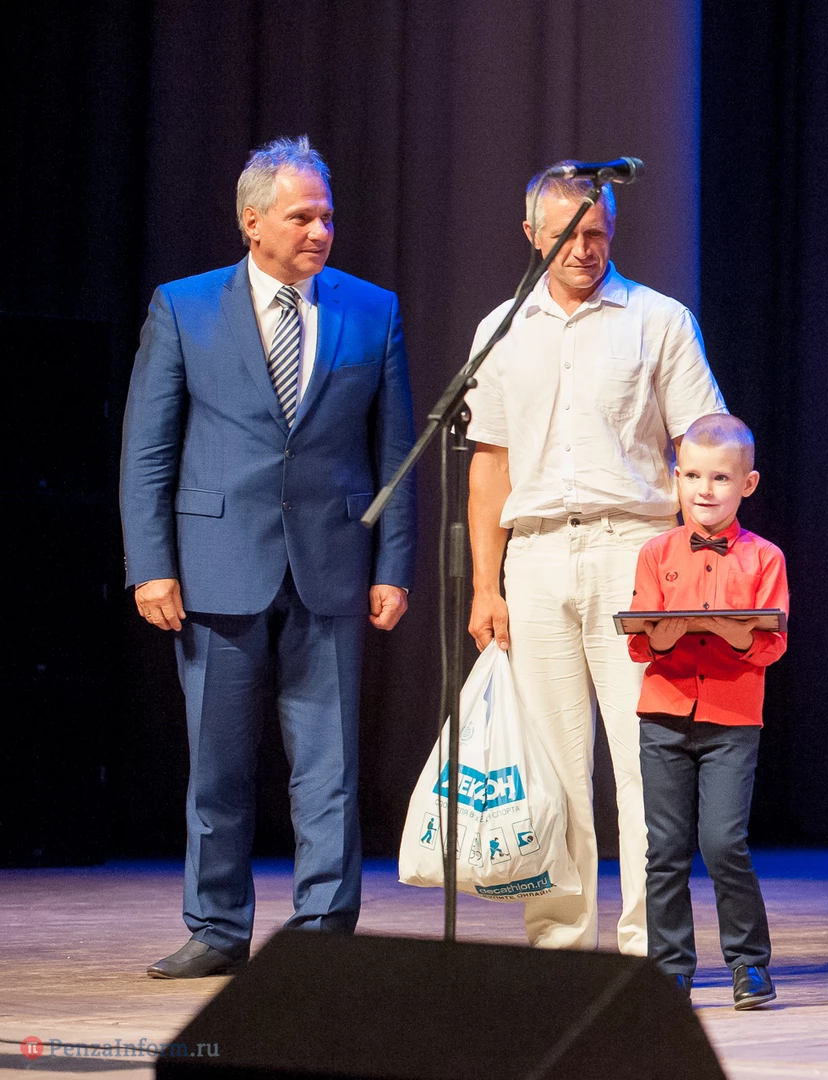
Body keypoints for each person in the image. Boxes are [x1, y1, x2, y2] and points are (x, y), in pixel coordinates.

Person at [120, 136, 416, 978]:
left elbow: (395, 452)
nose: (320, 230)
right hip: (215, 566)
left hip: (332, 566)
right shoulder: (184, 307)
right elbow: (148, 448)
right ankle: (217, 929)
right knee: (217, 770)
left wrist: (393, 566)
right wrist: (151, 563)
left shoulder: (371, 310)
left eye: (327, 216)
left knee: (329, 769)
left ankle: (324, 930)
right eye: (301, 216)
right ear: (253, 222)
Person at [464, 162, 726, 953]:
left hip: (634, 551)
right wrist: (485, 586)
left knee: (647, 763)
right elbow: (490, 466)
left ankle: (651, 949)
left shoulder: (659, 319)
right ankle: (560, 946)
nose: (583, 249)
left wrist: (697, 565)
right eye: (566, 236)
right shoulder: (500, 330)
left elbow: (703, 449)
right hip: (537, 556)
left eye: (597, 233)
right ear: (530, 235)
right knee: (551, 766)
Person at [625, 414, 788, 1009]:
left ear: (747, 483)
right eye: (692, 475)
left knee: (723, 844)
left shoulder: (764, 557)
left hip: (731, 719)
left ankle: (749, 964)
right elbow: (639, 641)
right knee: (665, 849)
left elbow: (772, 643)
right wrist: (661, 637)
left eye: (720, 478)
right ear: (677, 477)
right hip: (664, 714)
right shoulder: (656, 552)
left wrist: (737, 634)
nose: (705, 489)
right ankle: (670, 969)